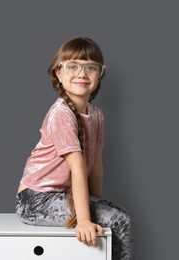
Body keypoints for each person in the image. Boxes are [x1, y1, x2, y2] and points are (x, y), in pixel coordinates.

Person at [15, 37, 134, 260]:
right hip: (35, 198)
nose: (82, 73)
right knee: (119, 220)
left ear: (99, 75)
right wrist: (84, 220)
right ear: (58, 73)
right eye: (73, 66)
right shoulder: (61, 113)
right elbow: (78, 168)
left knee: (122, 216)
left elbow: (95, 164)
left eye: (91, 67)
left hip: (64, 195)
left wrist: (95, 202)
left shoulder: (96, 114)